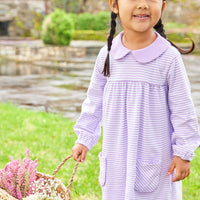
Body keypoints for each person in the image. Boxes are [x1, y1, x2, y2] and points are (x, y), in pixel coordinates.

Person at [72, 0, 200, 199]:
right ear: (114, 5)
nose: (142, 5)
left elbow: (183, 110)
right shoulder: (107, 55)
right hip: (116, 155)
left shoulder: (169, 58)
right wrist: (84, 138)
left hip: (155, 156)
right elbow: (94, 102)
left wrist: (183, 152)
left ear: (163, 6)